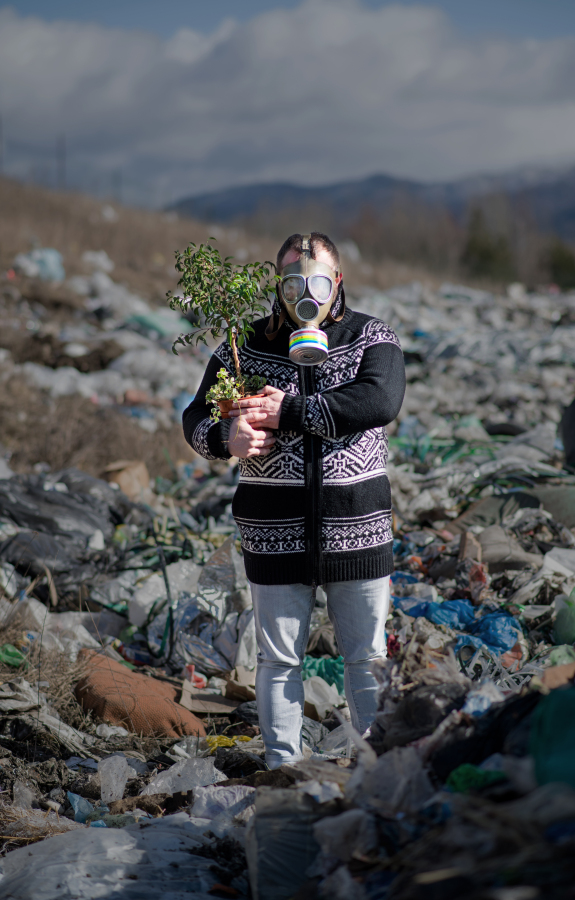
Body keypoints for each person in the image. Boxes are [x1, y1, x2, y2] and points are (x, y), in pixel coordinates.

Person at [183, 232, 405, 768]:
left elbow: (379, 399)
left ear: (339, 281)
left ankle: (372, 773)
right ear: (275, 285)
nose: (305, 291)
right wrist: (225, 440)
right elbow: (196, 416)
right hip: (272, 530)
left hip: (357, 528)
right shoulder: (246, 344)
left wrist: (291, 411)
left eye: (318, 280)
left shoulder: (372, 337)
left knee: (367, 658)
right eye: (291, 280)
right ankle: (283, 771)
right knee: (279, 661)